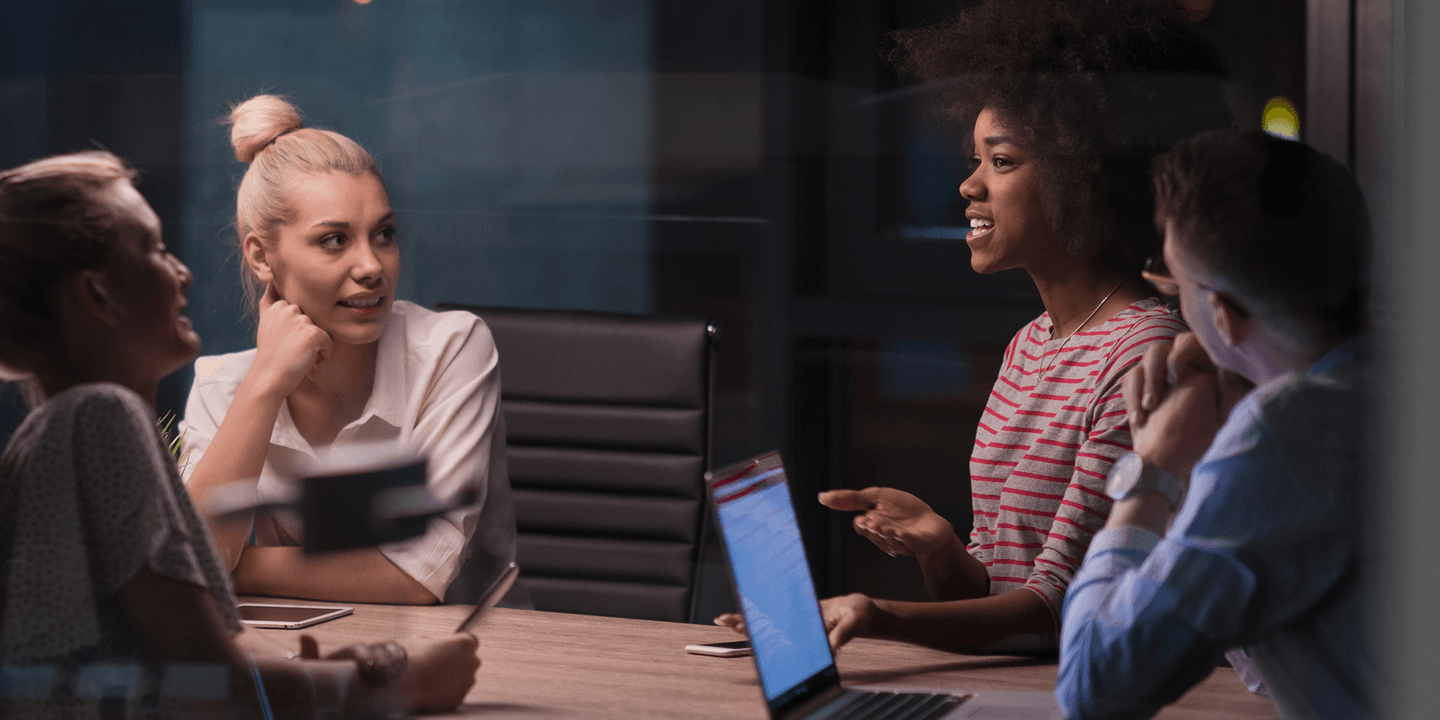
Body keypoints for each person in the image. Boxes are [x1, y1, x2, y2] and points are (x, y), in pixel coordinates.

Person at [720, 0, 1232, 653]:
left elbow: (1056, 610)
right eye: (974, 160)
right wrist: (939, 548)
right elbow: (996, 607)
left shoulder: (1141, 353)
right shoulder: (1030, 345)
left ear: (1088, 177)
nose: (969, 185)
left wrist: (878, 614)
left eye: (1002, 161)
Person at [0, 150, 479, 717]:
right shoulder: (101, 421)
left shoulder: (59, 430)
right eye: (154, 250)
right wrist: (395, 685)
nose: (183, 271)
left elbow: (170, 660)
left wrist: (323, 670)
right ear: (97, 295)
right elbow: (213, 686)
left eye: (384, 234)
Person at [1055, 131, 1373, 719]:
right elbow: (1266, 666)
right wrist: (1214, 457)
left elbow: (1092, 686)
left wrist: (1154, 470)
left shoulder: (1290, 432)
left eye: (1175, 281)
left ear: (1221, 313)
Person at [179, 94, 516, 605]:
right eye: (334, 240)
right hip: (306, 654)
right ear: (261, 257)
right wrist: (265, 386)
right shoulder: (223, 385)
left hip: (479, 651)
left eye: (383, 234)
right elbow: (190, 565)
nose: (371, 266)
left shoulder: (452, 348)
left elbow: (416, 576)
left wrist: (237, 567)